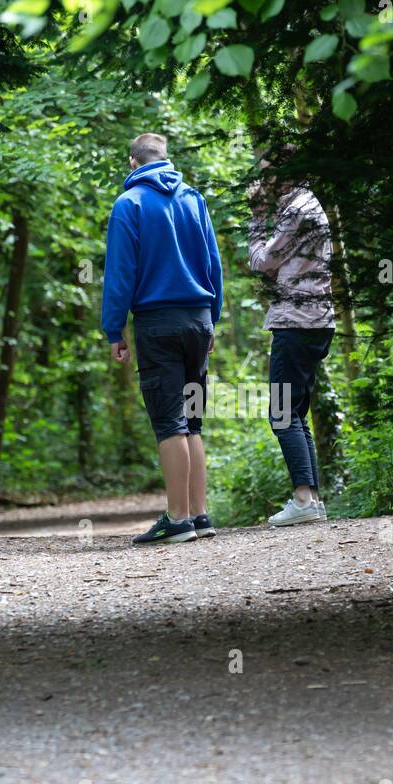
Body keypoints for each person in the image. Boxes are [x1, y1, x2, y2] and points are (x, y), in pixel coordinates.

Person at [102, 133, 224, 545]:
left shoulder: (129, 204)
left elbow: (120, 274)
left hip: (158, 325)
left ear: (132, 162)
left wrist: (113, 329)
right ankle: (198, 515)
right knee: (192, 420)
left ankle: (177, 519)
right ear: (166, 160)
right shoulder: (194, 199)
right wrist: (213, 321)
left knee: (170, 421)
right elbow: (214, 265)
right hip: (199, 321)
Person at [248, 152, 335, 527]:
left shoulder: (296, 209)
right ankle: (311, 500)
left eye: (269, 176)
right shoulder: (310, 203)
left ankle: (303, 497)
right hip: (315, 320)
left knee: (282, 412)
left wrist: (255, 218)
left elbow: (264, 262)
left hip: (296, 322)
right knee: (295, 411)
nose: (265, 183)